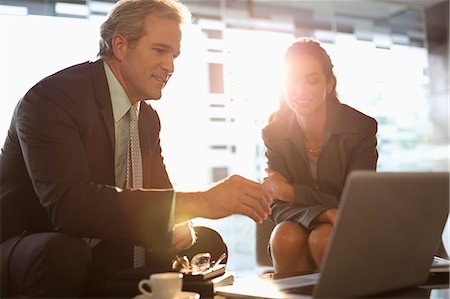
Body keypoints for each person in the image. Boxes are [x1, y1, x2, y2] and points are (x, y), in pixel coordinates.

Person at [0, 0, 272, 297]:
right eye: (159, 50)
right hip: (30, 240)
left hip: (104, 242)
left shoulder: (146, 118)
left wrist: (182, 222)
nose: (170, 66)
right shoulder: (52, 100)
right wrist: (204, 201)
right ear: (120, 46)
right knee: (62, 253)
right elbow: (71, 208)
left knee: (206, 242)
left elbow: (160, 193)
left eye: (174, 55)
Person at [261, 38, 378, 275]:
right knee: (284, 236)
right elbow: (277, 205)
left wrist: (293, 193)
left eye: (312, 80)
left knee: (324, 238)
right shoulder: (274, 132)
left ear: (329, 84)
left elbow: (355, 204)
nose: (300, 90)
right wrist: (326, 213)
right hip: (305, 222)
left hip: (350, 226)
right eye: (292, 80)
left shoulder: (360, 127)